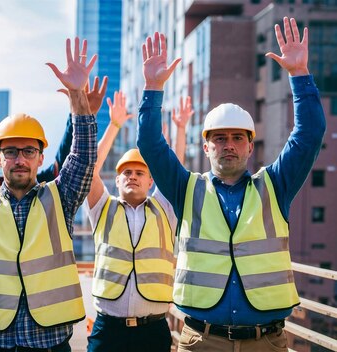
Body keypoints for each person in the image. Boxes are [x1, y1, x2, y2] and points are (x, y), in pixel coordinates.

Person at [137, 17, 326, 351]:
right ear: (207, 147)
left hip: (266, 341)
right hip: (202, 340)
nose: (228, 145)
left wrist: (299, 74)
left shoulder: (275, 186)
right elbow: (151, 145)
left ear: (250, 147)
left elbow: (309, 134)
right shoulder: (187, 190)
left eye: (238, 138)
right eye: (219, 138)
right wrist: (153, 89)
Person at [0, 37, 97, 351]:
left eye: (29, 151)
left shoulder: (61, 197)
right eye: (10, 151)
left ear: (41, 157)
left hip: (49, 342)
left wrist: (78, 97)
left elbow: (83, 157)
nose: (20, 159)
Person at [84, 90, 187, 351]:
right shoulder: (102, 208)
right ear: (116, 181)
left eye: (140, 172)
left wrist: (181, 130)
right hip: (108, 329)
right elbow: (89, 169)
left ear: (151, 181)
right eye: (126, 172)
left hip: (152, 330)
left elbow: (174, 169)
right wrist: (114, 125)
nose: (132, 176)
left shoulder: (165, 208)